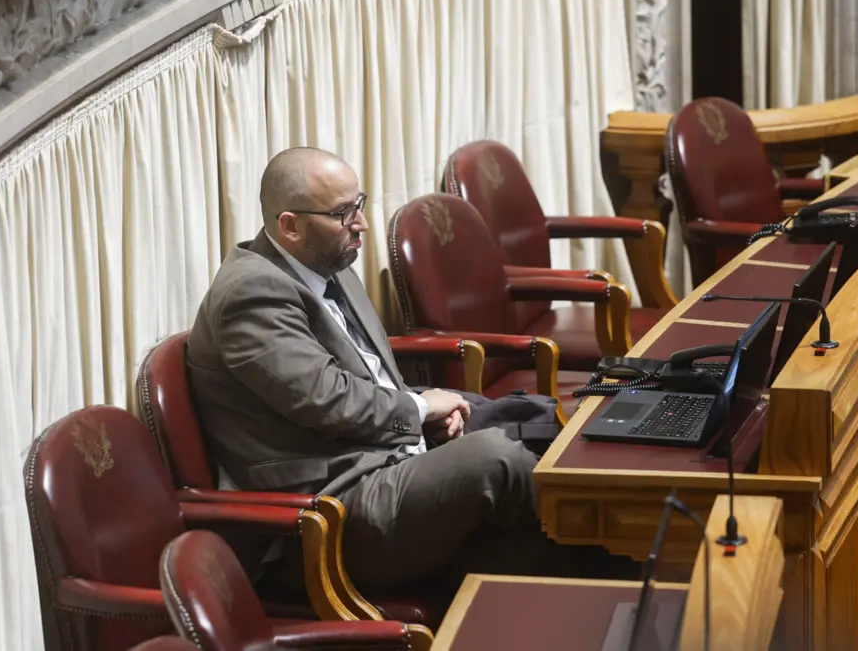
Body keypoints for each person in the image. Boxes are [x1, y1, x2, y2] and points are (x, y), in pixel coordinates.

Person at [186, 147, 634, 592]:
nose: (360, 223)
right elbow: (326, 399)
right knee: (493, 460)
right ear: (291, 226)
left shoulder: (327, 264)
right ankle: (623, 563)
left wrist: (428, 417)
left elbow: (369, 379)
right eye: (343, 213)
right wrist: (417, 410)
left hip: (385, 453)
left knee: (536, 419)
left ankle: (623, 556)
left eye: (358, 204)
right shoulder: (251, 295)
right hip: (334, 501)